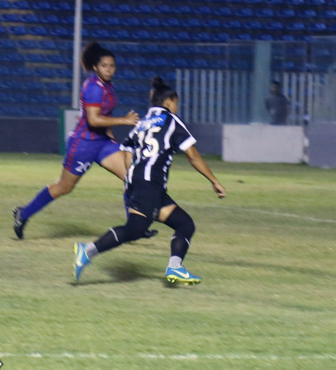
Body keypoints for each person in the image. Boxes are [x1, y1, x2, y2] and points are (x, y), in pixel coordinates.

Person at [73, 76, 226, 285]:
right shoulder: (171, 120)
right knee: (135, 229)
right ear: (169, 101)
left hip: (141, 182)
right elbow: (193, 155)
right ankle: (88, 250)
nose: (176, 107)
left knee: (184, 223)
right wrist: (213, 180)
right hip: (150, 183)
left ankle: (175, 268)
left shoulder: (142, 123)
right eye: (176, 103)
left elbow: (126, 154)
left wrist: (133, 180)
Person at [12, 42, 141, 239]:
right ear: (96, 67)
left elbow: (105, 116)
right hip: (83, 144)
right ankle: (23, 214)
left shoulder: (108, 86)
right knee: (64, 186)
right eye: (105, 65)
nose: (109, 69)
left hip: (103, 143)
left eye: (112, 65)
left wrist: (113, 142)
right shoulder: (93, 87)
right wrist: (124, 120)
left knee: (132, 178)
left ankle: (133, 228)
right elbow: (93, 119)